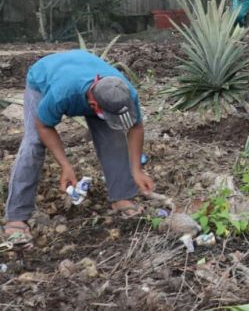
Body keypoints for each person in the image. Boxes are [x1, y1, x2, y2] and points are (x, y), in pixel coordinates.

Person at [3, 50, 154, 246]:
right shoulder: (61, 94)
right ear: (94, 105)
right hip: (43, 78)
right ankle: (16, 215)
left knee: (113, 136)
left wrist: (137, 170)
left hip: (84, 74)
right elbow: (44, 126)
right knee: (34, 143)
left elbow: (136, 127)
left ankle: (121, 197)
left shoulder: (123, 92)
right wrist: (65, 165)